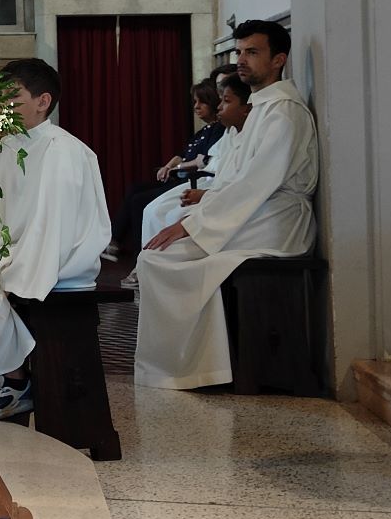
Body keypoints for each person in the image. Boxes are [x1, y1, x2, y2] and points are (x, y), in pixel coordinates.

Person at [135, 21, 318, 389]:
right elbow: (235, 179)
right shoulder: (262, 108)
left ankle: (199, 369)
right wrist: (197, 215)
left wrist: (191, 225)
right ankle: (198, 366)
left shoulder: (283, 112)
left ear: (279, 59)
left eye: (252, 52)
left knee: (159, 259)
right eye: (239, 52)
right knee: (156, 256)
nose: (241, 60)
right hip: (257, 212)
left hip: (280, 221)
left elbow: (255, 184)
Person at [0, 58, 111, 420]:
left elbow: (53, 224)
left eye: (10, 97)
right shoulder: (9, 145)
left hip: (60, 258)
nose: (1, 107)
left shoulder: (62, 151)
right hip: (16, 249)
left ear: (42, 101)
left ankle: (14, 381)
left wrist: (15, 267)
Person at [128, 75, 251, 282]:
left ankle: (162, 273)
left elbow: (224, 172)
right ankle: (145, 266)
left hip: (217, 193)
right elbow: (202, 159)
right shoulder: (227, 132)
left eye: (225, 100)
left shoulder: (233, 130)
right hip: (209, 187)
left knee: (166, 216)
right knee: (151, 209)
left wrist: (204, 195)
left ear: (248, 107)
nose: (220, 107)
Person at [105, 79, 226, 259]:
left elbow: (202, 161)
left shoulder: (218, 130)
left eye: (202, 102)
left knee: (140, 201)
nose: (197, 107)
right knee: (134, 188)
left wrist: (177, 167)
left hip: (192, 180)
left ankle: (142, 255)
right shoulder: (202, 132)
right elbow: (183, 155)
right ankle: (114, 240)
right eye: (194, 102)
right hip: (179, 176)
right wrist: (168, 166)